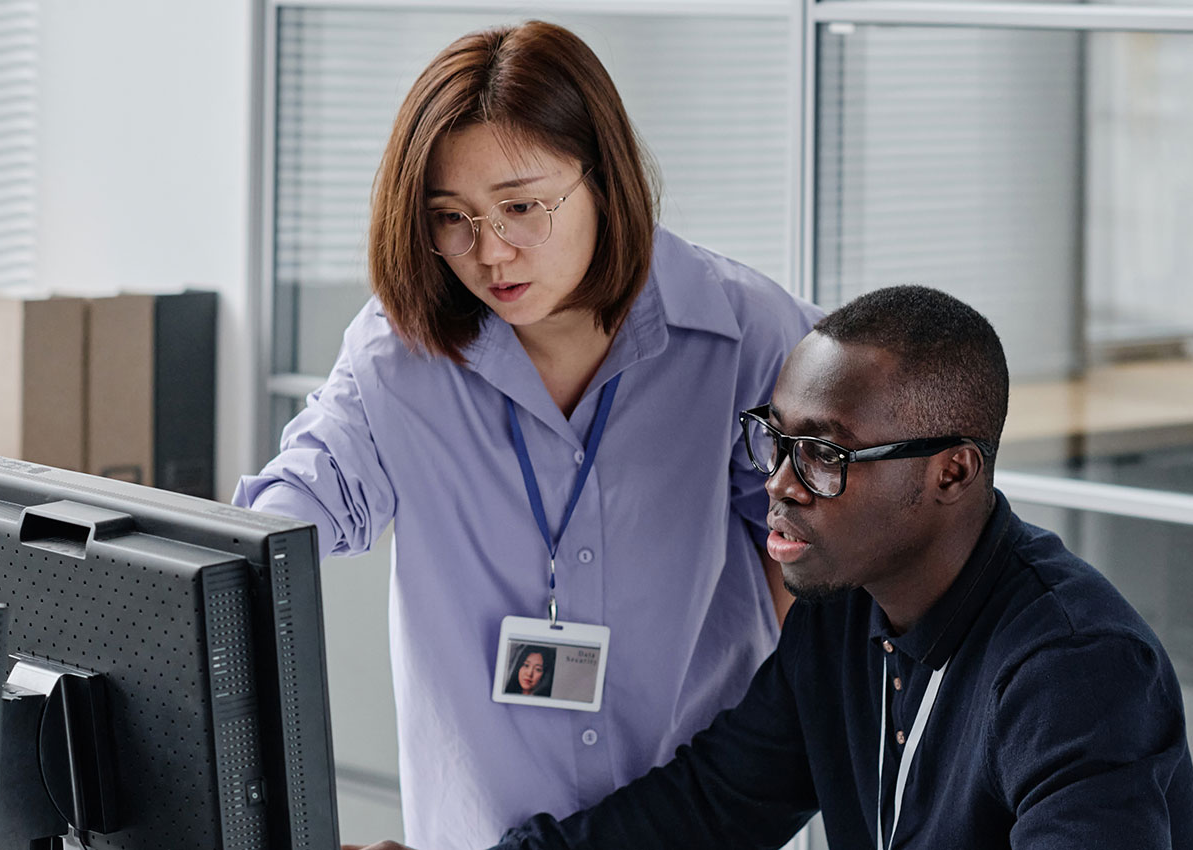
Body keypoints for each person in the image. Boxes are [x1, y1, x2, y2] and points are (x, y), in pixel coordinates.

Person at [234, 20, 822, 849]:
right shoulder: (396, 355)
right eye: (452, 217)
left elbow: (834, 562)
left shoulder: (744, 336)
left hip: (694, 824)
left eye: (520, 206)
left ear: (603, 180)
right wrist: (239, 554)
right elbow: (302, 496)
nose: (490, 252)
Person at [349, 286, 1193, 850]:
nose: (781, 484)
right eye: (775, 439)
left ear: (950, 473)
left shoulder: (1073, 668)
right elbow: (707, 809)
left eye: (825, 455)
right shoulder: (843, 615)